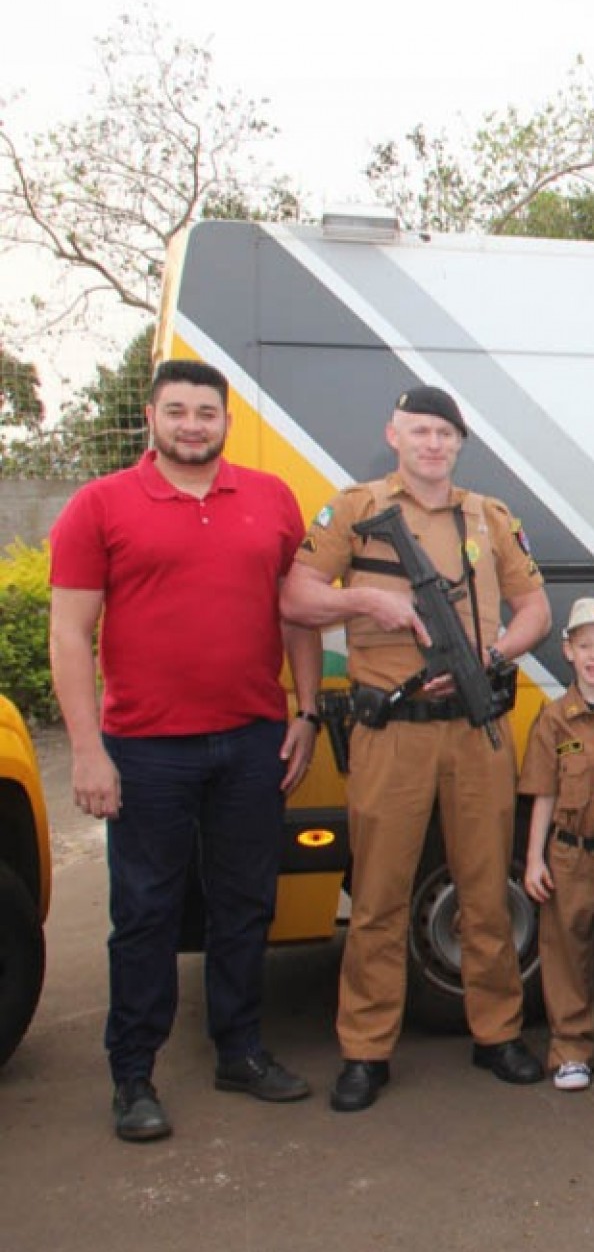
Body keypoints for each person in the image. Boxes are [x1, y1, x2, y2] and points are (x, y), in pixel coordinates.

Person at [49, 358, 321, 1142]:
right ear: (151, 417)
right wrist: (88, 751)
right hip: (144, 749)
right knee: (145, 914)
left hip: (251, 739)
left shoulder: (269, 498)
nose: (193, 425)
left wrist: (306, 711)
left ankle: (240, 1050)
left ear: (226, 420)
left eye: (207, 412)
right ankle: (132, 1075)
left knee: (245, 905)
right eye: (178, 412)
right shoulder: (100, 506)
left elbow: (297, 614)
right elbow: (70, 634)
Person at [281, 384, 552, 1113]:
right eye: (420, 431)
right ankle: (365, 1050)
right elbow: (296, 597)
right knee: (377, 898)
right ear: (394, 434)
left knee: (488, 889)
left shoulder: (488, 517)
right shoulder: (356, 509)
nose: (433, 444)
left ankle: (496, 1033)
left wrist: (495, 652)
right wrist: (367, 601)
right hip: (390, 736)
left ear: (459, 444)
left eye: (445, 433)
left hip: (474, 730)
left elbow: (537, 607)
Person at [517, 596, 594, 1090]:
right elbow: (543, 794)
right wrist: (533, 859)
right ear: (568, 651)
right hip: (571, 854)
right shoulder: (554, 720)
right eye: (585, 645)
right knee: (567, 950)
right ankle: (571, 1047)